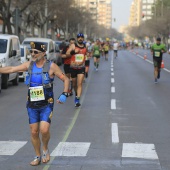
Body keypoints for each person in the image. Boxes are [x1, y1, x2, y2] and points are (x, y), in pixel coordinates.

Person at [0, 42, 69, 166]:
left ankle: (45, 149)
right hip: (32, 104)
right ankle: (37, 155)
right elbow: (11, 69)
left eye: (35, 52)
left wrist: (64, 93)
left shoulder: (51, 67)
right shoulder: (29, 65)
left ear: (43, 54)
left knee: (44, 129)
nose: (32, 54)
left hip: (46, 104)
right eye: (31, 52)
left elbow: (65, 79)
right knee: (34, 132)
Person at [66, 33, 87, 107]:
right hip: (73, 67)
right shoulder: (73, 45)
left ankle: (77, 99)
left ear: (83, 38)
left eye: (81, 37)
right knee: (74, 84)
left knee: (80, 84)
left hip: (81, 67)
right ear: (77, 38)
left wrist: (84, 61)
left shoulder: (85, 46)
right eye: (79, 37)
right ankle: (76, 94)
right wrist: (74, 52)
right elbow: (67, 54)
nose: (80, 38)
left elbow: (85, 55)